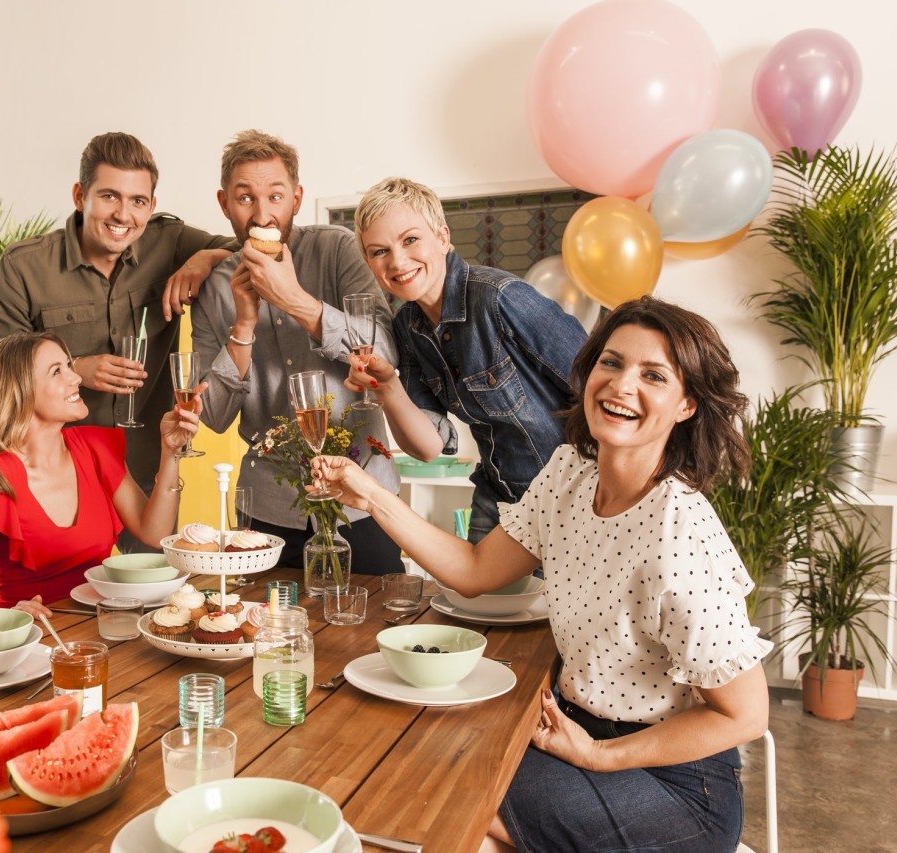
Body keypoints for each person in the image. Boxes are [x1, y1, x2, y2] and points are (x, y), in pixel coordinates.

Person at [314, 297, 772, 852]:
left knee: (436, 795)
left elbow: (745, 716)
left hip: (671, 785)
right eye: (612, 362)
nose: (622, 385)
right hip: (569, 733)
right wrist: (369, 493)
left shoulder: (680, 536)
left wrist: (600, 756)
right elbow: (476, 570)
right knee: (414, 763)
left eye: (653, 375)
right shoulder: (570, 474)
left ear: (686, 405)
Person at [0, 132, 233, 551]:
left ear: (151, 204)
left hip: (145, 470)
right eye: (110, 196)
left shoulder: (170, 242)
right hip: (55, 478)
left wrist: (205, 258)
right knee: (55, 607)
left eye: (138, 201)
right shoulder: (25, 267)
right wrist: (75, 367)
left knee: (154, 601)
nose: (124, 214)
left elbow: (256, 251)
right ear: (81, 195)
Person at [191, 129, 402, 572]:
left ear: (297, 198)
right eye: (245, 197)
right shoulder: (215, 288)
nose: (262, 212)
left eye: (275, 195)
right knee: (270, 630)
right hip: (269, 508)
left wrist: (293, 300)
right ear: (224, 203)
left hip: (363, 496)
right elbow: (211, 414)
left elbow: (386, 352)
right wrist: (244, 324)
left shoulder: (338, 249)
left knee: (375, 624)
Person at [351, 176, 588, 543]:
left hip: (574, 500)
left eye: (410, 239)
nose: (397, 261)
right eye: (379, 251)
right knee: (475, 599)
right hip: (499, 500)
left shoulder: (499, 298)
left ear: (442, 238)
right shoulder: (408, 329)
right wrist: (387, 387)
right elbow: (428, 447)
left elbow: (595, 388)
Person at [0, 331, 200, 617]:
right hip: (33, 640)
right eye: (57, 371)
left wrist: (171, 452)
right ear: (19, 390)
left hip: (100, 625)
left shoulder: (95, 448)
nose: (76, 378)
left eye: (68, 366)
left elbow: (154, 533)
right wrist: (10, 621)